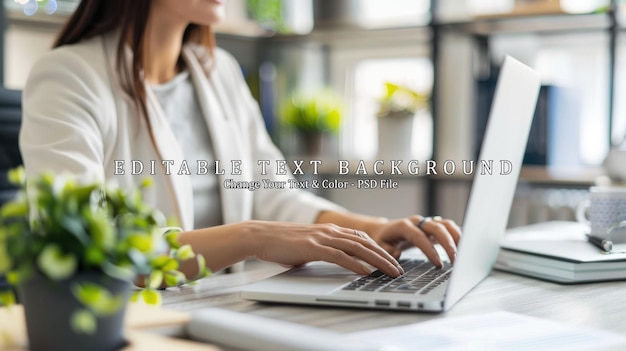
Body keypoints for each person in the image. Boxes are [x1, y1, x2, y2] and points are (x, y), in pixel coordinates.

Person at [19, 0, 461, 279]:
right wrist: (252, 237)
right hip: (138, 325)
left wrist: (370, 229)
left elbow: (273, 195)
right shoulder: (68, 76)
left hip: (229, 307)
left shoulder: (219, 71)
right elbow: (87, 247)